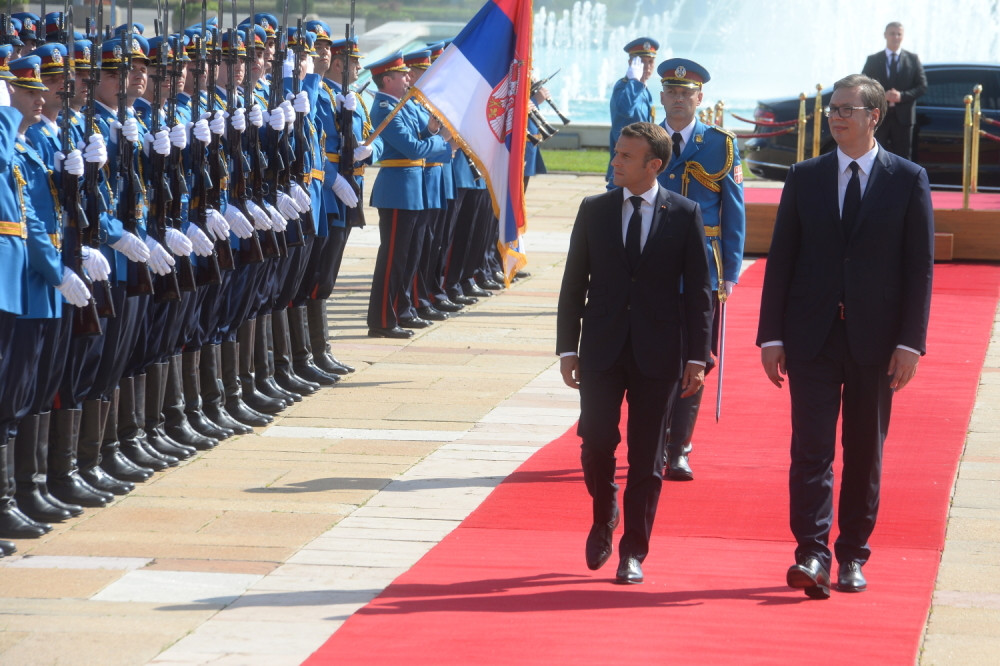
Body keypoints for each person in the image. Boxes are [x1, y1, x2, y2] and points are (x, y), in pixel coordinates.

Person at [757, 73, 934, 599]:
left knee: (864, 452)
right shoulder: (804, 177)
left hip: (876, 345)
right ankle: (811, 552)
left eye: (847, 110)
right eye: (832, 109)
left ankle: (853, 553)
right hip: (811, 339)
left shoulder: (907, 179)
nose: (835, 117)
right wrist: (771, 337)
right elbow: (781, 260)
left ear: (873, 116)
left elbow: (918, 269)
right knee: (810, 451)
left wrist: (911, 342)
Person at [557, 121, 713, 585]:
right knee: (596, 444)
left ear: (654, 165)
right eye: (616, 153)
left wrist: (697, 358)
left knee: (647, 457)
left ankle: (633, 551)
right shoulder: (595, 209)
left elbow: (698, 292)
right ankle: (605, 512)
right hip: (602, 349)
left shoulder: (683, 213)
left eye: (626, 156)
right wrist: (568, 347)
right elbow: (573, 284)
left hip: (660, 352)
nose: (615, 162)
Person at [655, 58, 745, 481]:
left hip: (702, 267)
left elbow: (734, 212)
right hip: (649, 264)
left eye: (685, 93)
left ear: (699, 98)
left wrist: (730, 270)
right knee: (651, 355)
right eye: (671, 92)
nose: (678, 99)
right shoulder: (644, 139)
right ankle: (653, 440)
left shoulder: (720, 144)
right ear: (661, 96)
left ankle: (679, 448)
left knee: (697, 355)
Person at [861, 22, 926, 161]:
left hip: (904, 119)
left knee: (903, 158)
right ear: (885, 35)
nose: (895, 37)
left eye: (899, 34)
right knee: (874, 155)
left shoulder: (913, 60)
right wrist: (881, 95)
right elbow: (863, 84)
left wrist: (901, 96)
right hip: (878, 117)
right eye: (892, 33)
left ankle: (901, 184)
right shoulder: (873, 60)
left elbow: (922, 86)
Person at [606, 37, 657, 184]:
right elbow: (625, 109)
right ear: (631, 63)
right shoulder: (624, 87)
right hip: (625, 165)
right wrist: (633, 81)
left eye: (650, 62)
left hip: (641, 165)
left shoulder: (644, 89)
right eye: (642, 62)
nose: (647, 67)